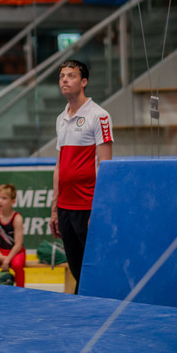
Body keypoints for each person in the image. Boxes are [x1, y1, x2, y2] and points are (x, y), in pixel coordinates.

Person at [49, 60, 113, 292]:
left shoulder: (99, 116)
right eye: (61, 76)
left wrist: (98, 207)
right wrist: (54, 207)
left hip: (87, 206)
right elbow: (59, 166)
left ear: (84, 82)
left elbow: (105, 166)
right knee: (76, 268)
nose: (64, 80)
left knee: (95, 267)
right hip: (65, 207)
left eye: (71, 75)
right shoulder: (61, 118)